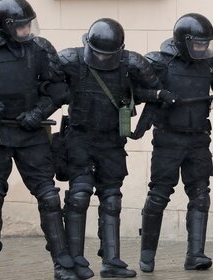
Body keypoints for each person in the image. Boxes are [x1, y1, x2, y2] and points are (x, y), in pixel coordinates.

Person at [0, 0, 78, 280]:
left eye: (30, 25)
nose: (28, 30)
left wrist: (38, 111)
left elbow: (58, 90)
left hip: (31, 133)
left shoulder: (39, 49)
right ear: (6, 26)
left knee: (49, 196)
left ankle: (62, 265)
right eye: (22, 26)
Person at [56, 18, 163, 278]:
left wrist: (139, 129)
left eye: (109, 55)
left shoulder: (131, 64)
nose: (104, 60)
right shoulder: (71, 60)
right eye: (100, 54)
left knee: (112, 198)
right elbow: (45, 85)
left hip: (111, 140)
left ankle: (111, 260)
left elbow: (156, 93)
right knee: (79, 195)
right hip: (80, 137)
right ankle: (75, 260)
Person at [135, 13, 213, 272]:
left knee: (200, 194)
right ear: (183, 41)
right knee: (159, 195)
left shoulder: (208, 62)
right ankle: (147, 255)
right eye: (197, 43)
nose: (202, 48)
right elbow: (135, 91)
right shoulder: (159, 62)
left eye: (205, 43)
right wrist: (159, 94)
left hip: (198, 138)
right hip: (168, 139)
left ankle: (196, 254)